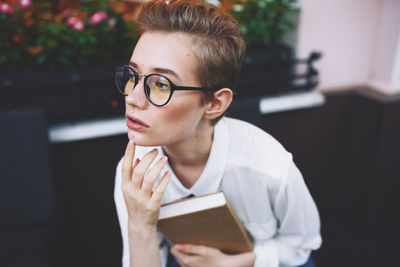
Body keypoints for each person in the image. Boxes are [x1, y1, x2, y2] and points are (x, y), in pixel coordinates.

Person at [114, 0, 322, 266]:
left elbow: (303, 245)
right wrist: (140, 225)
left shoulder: (269, 167)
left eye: (161, 84)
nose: (132, 97)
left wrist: (245, 261)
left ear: (214, 103)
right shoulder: (135, 174)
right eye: (133, 74)